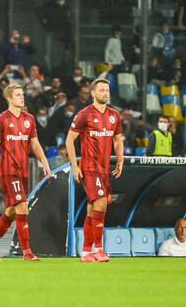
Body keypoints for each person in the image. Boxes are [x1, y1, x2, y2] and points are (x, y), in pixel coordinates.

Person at [0, 84, 51, 261]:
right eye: (18, 95)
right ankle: (27, 252)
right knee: (22, 206)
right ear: (9, 99)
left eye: (23, 94)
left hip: (24, 172)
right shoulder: (1, 120)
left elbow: (35, 144)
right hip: (8, 172)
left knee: (12, 211)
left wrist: (44, 162)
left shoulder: (29, 119)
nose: (22, 97)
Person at [65, 79, 124, 262]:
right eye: (101, 90)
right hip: (89, 168)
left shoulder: (114, 115)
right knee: (100, 203)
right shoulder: (84, 114)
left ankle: (85, 252)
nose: (105, 93)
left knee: (92, 210)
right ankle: (98, 249)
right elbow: (69, 140)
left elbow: (117, 140)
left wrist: (120, 160)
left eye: (107, 90)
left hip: (104, 170)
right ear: (93, 93)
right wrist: (75, 166)